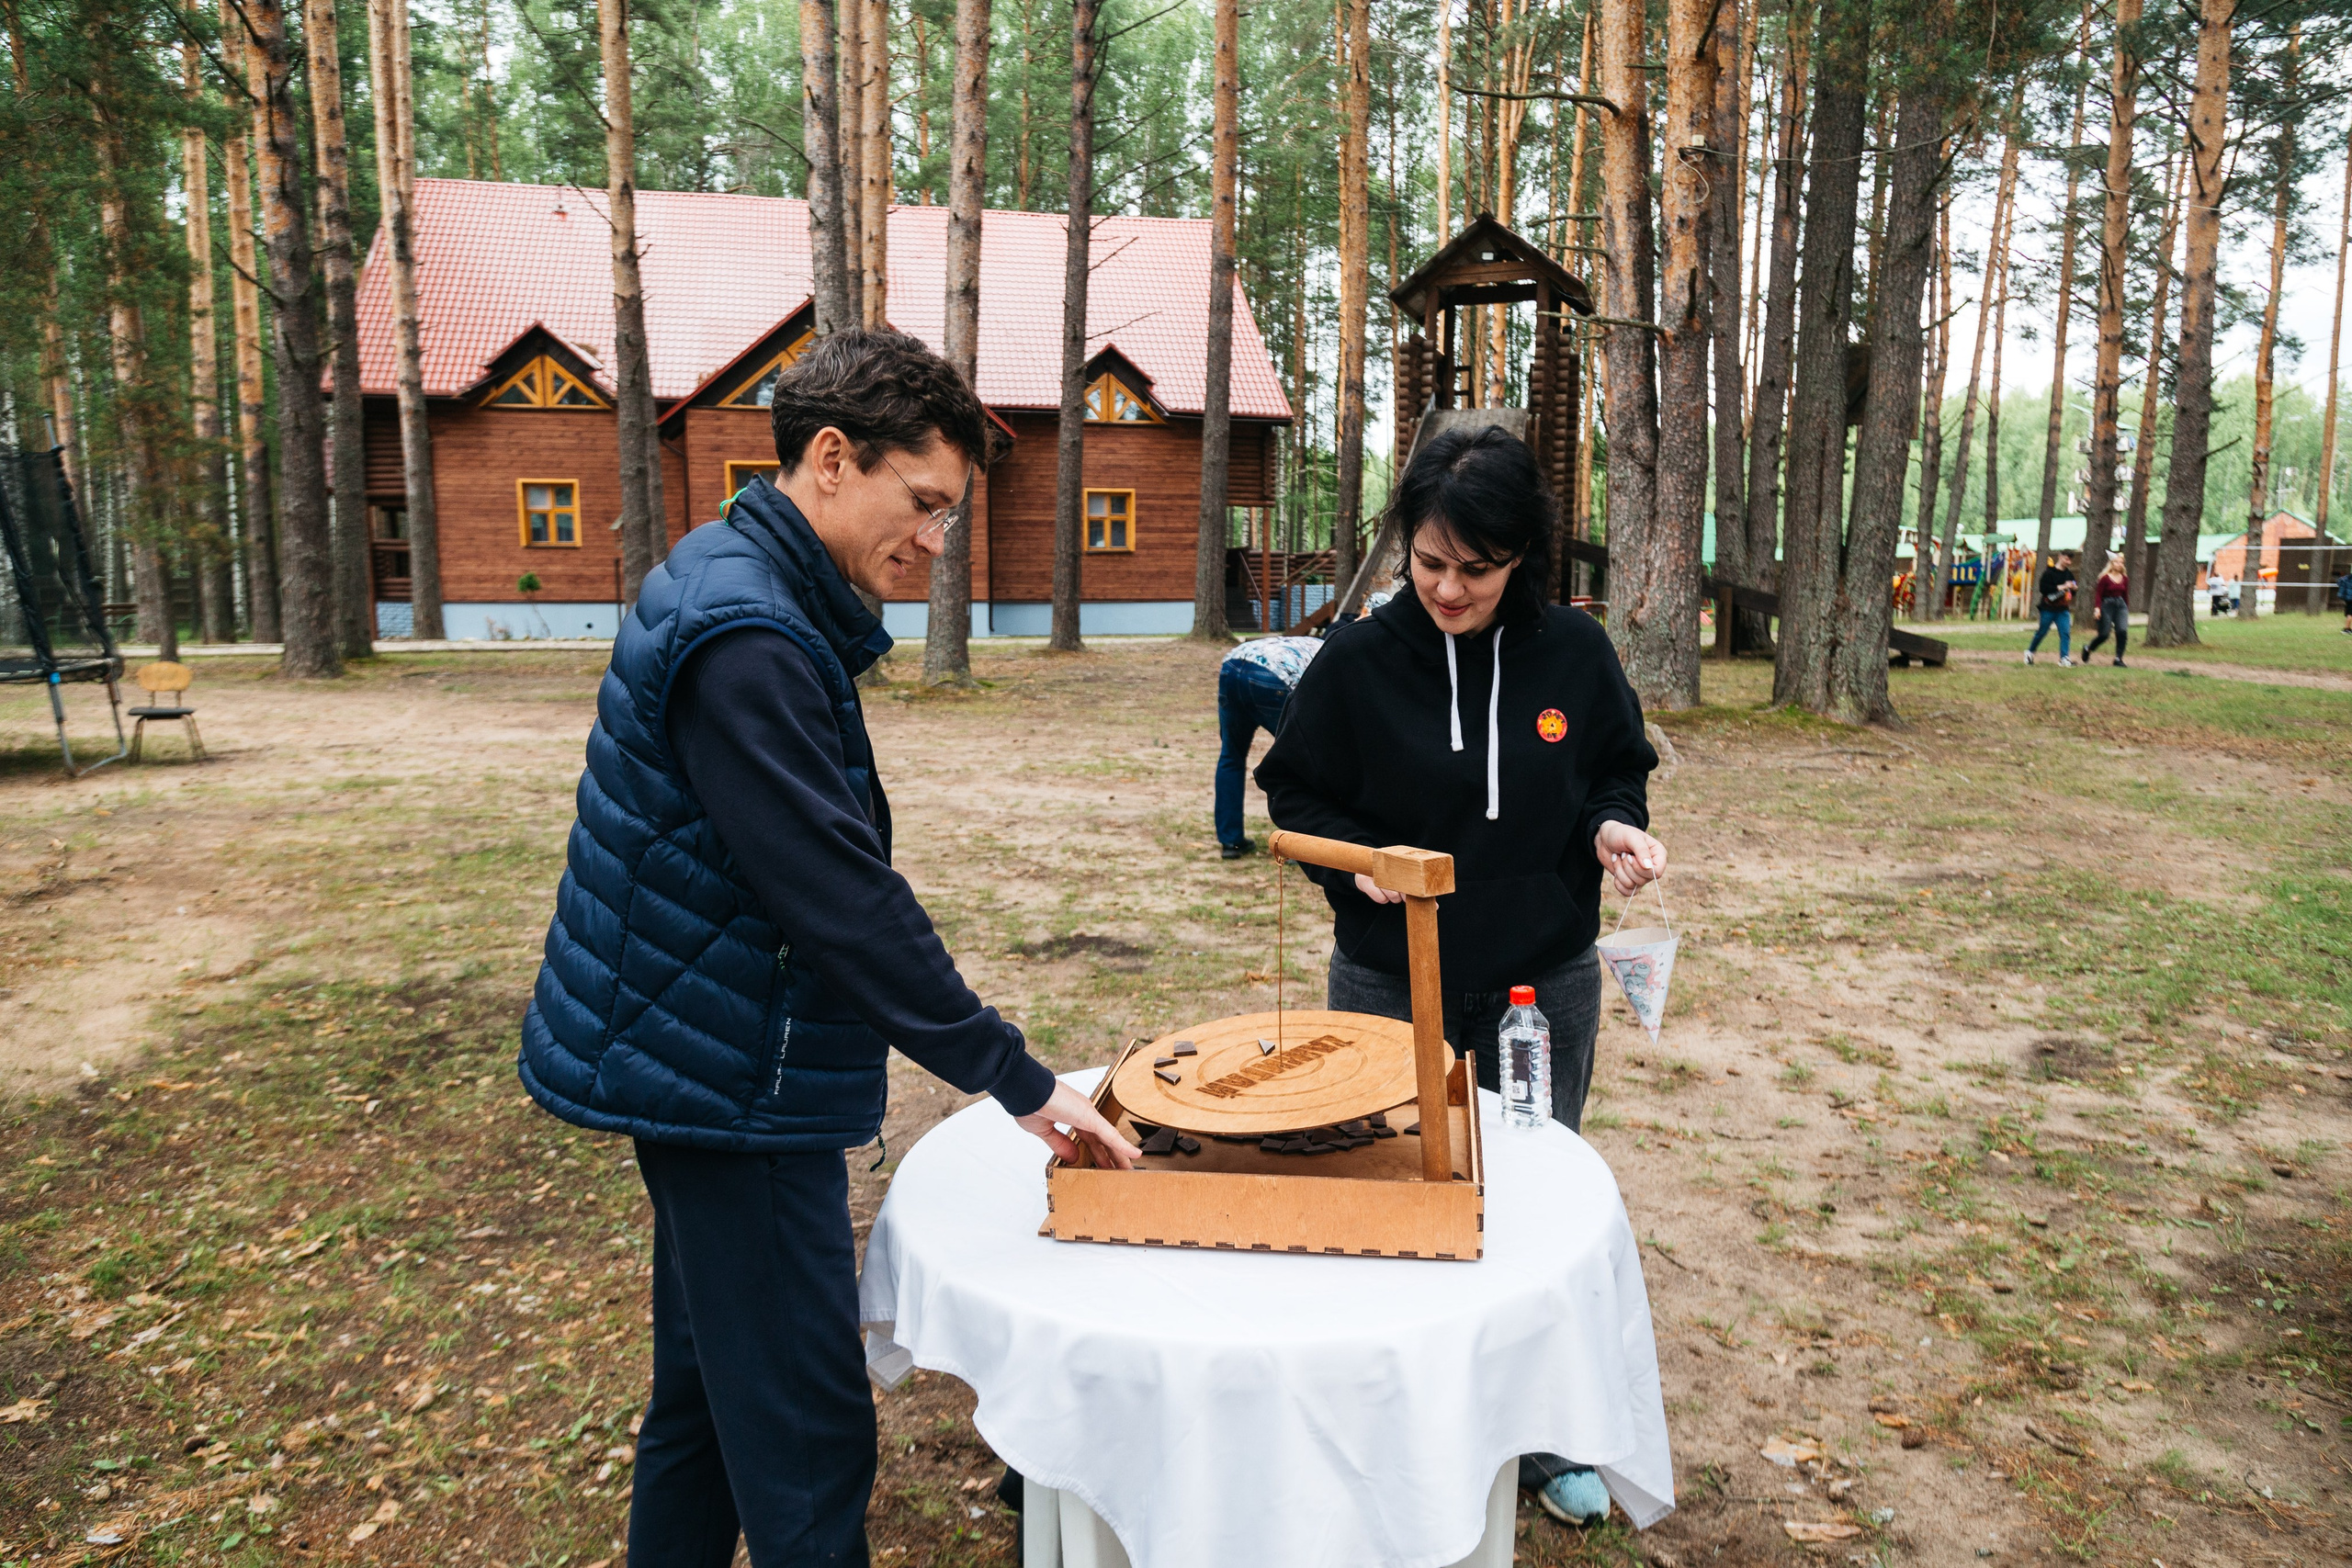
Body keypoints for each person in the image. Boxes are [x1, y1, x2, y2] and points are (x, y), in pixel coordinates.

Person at [517, 329, 1136, 1568]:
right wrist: (1013, 1075)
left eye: (950, 513)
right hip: (731, 1076)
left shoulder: (740, 578)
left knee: (702, 1394)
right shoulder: (749, 634)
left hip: (696, 1046)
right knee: (802, 1438)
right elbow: (841, 899)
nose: (935, 538)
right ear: (834, 460)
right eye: (924, 504)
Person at [1256, 425, 1666, 1528]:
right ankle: (1394, 1421)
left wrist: (1614, 827)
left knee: (1530, 1205)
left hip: (1543, 986)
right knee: (1392, 1196)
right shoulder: (1356, 658)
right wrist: (1362, 871)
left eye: (1473, 570)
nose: (1444, 589)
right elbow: (1295, 798)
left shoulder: (1574, 658)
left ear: (1522, 555)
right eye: (1427, 563)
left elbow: (1611, 769)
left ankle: (1532, 1438)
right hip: (1391, 984)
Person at [1215, 634, 1321, 859]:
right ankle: (1295, 846)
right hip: (1272, 677)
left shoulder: (1310, 644)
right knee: (1296, 762)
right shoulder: (1336, 655)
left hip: (1233, 664)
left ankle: (1230, 841)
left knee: (1231, 756)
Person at [2082, 554, 2130, 666]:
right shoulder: (2105, 578)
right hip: (2107, 605)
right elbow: (2098, 594)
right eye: (2117, 562)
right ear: (2112, 564)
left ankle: (2118, 658)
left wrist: (2126, 609)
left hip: (2120, 606)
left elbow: (2125, 595)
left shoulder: (2125, 579)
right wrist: (2097, 609)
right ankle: (2088, 648)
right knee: (2104, 634)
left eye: (2121, 562)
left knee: (2122, 631)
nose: (2119, 564)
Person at [2336, 563, 2351, 634]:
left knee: (2349, 613)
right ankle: (2346, 629)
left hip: (2347, 599)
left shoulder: (2346, 579)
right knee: (2350, 614)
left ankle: (2348, 628)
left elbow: (2339, 582)